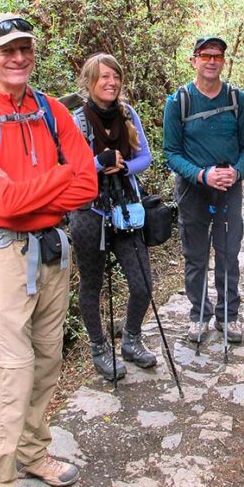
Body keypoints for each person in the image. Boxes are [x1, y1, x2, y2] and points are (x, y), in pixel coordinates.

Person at [0, 13, 97, 487]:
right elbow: (3, 201)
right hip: (0, 255)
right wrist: (59, 178)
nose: (17, 59)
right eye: (6, 50)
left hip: (53, 249)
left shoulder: (52, 110)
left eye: (25, 49)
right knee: (9, 369)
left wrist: (31, 195)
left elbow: (89, 183)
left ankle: (32, 451)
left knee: (47, 360)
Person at [163, 36, 244, 343]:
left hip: (229, 189)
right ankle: (199, 315)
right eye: (205, 55)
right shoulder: (178, 102)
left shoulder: (237, 100)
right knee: (196, 255)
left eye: (217, 56)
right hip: (193, 191)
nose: (212, 61)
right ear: (193, 60)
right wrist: (202, 175)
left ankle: (228, 315)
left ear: (224, 61)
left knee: (229, 253)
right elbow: (171, 152)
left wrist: (236, 171)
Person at [68, 53, 158, 381]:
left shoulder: (128, 114)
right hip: (89, 213)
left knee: (143, 283)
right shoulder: (76, 121)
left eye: (116, 76)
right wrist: (97, 164)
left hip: (126, 209)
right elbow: (69, 170)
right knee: (92, 284)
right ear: (90, 81)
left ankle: (131, 339)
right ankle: (99, 348)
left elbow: (145, 157)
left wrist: (122, 166)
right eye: (104, 77)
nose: (111, 82)